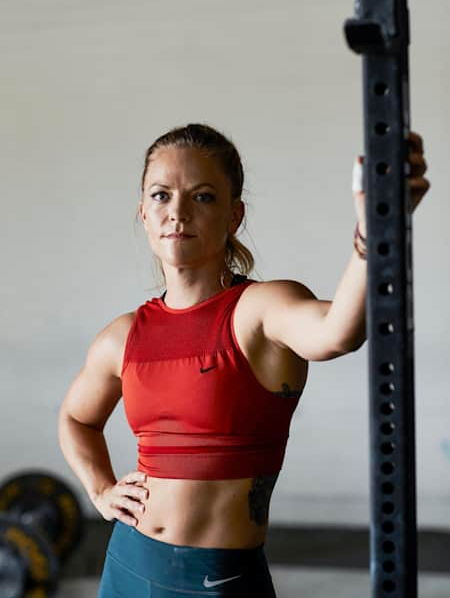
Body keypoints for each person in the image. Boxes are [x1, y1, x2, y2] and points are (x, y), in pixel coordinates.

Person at [58, 123, 429, 597]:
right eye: (161, 196)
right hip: (126, 564)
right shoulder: (123, 335)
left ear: (234, 215)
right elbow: (75, 418)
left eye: (203, 197)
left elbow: (338, 333)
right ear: (144, 216)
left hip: (219, 578)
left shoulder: (259, 310)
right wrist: (101, 491)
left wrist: (374, 231)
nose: (178, 212)